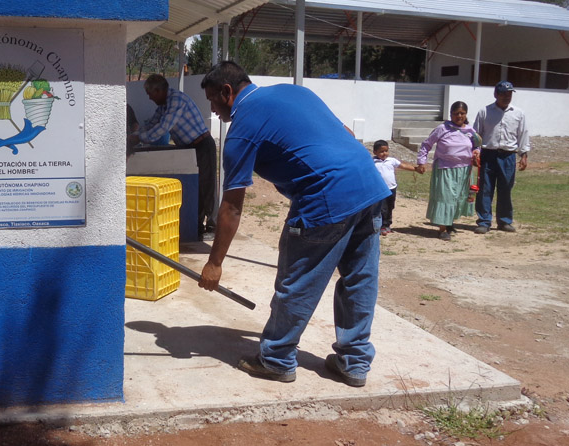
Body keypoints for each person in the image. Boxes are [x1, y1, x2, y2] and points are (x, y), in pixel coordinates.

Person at [197, 61, 390, 387]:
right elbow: (348, 134)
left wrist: (214, 263)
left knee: (298, 281)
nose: (213, 109)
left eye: (213, 101)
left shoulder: (241, 129)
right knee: (359, 280)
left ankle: (276, 359)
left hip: (326, 197)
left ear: (227, 92)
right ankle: (354, 363)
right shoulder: (293, 92)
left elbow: (231, 206)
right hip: (369, 186)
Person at [128, 74, 217, 240]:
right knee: (195, 189)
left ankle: (213, 227)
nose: (149, 97)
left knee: (207, 187)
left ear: (159, 90)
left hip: (202, 145)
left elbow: (162, 128)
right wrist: (134, 135)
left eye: (150, 93)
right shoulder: (163, 106)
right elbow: (151, 124)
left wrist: (138, 138)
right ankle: (197, 228)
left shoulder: (176, 100)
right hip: (189, 148)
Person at [416, 102, 481, 241]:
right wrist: (422, 161)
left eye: (462, 113)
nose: (459, 116)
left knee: (458, 197)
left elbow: (477, 145)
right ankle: (442, 229)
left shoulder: (470, 131)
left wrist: (476, 152)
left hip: (464, 170)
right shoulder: (442, 128)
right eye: (456, 113)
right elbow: (426, 144)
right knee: (445, 198)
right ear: (451, 114)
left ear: (466, 114)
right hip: (445, 168)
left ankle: (450, 223)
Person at [472, 81, 530, 234]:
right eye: (503, 94)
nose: (506, 97)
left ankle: (504, 221)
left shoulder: (518, 113)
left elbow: (523, 134)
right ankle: (484, 221)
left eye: (509, 94)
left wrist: (523, 154)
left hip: (508, 156)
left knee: (505, 189)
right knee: (485, 189)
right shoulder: (485, 111)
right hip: (488, 155)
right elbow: (476, 134)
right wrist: (475, 151)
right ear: (496, 94)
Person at [372, 139, 419, 235]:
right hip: (380, 190)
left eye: (386, 151)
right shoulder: (373, 162)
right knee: (382, 208)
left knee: (390, 206)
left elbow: (403, 166)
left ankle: (388, 224)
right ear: (375, 152)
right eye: (381, 151)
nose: (384, 153)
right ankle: (382, 226)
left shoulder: (391, 160)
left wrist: (416, 169)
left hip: (392, 188)